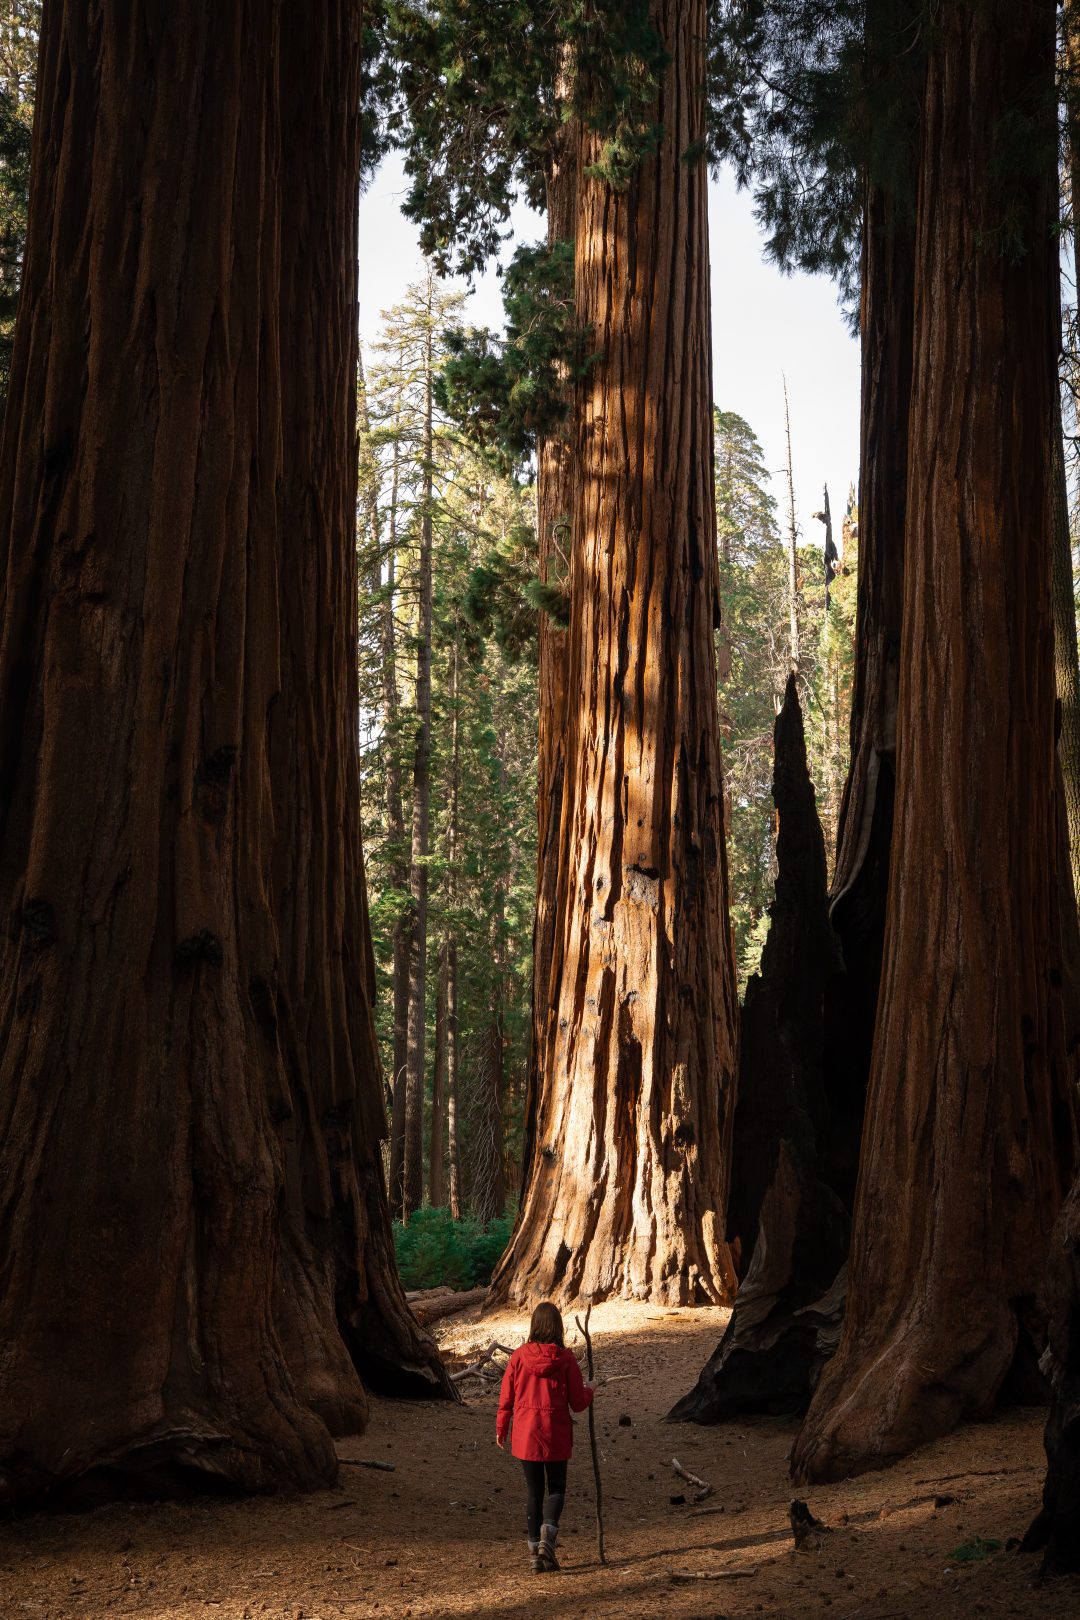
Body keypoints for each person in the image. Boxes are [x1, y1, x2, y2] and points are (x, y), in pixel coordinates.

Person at [496, 1300, 594, 1573]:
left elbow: (507, 1397)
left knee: (534, 1491)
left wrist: (502, 1428)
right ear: (558, 1326)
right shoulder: (565, 1360)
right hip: (555, 1432)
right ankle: (547, 1539)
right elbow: (578, 1402)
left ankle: (535, 1553)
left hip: (526, 1433)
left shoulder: (518, 1357)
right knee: (557, 1488)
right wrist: (591, 1390)